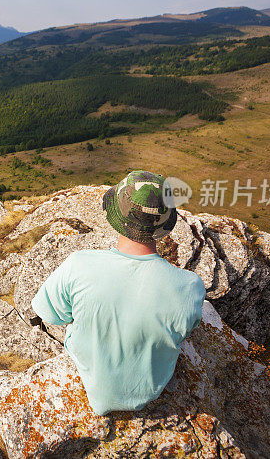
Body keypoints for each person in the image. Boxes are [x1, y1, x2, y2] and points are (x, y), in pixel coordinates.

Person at [31, 170, 206, 415]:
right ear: (165, 225)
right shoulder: (190, 287)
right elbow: (184, 330)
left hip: (87, 373)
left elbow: (50, 314)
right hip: (151, 389)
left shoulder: (79, 264)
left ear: (116, 215)